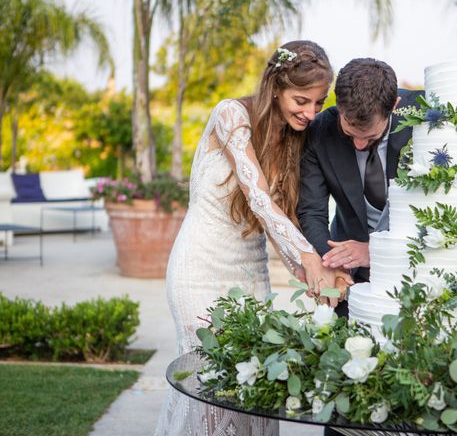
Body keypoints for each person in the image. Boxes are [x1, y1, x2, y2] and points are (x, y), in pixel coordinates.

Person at [155, 40, 346, 436]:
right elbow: (258, 197)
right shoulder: (232, 115)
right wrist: (309, 257)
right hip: (200, 270)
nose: (311, 113)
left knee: (252, 387)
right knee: (208, 390)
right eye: (301, 100)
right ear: (275, 86)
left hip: (251, 275)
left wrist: (319, 277)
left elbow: (282, 225)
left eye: (318, 102)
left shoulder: (296, 140)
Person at [297, 58, 422, 318]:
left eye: (370, 137)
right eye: (350, 133)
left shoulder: (426, 116)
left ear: (394, 105)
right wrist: (332, 264)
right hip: (351, 277)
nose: (359, 146)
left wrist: (375, 252)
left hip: (420, 273)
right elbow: (312, 211)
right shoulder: (319, 132)